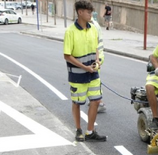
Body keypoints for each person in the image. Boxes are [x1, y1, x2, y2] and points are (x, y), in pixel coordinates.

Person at [63, 0, 107, 142]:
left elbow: (96, 49)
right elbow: (67, 55)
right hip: (77, 76)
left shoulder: (93, 29)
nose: (91, 15)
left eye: (92, 12)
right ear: (80, 12)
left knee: (95, 101)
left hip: (93, 74)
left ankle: (90, 131)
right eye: (89, 12)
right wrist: (84, 67)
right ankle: (78, 130)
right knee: (77, 103)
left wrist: (98, 62)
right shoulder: (70, 31)